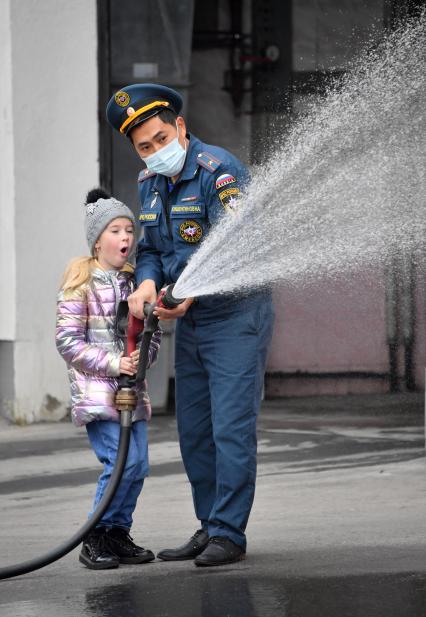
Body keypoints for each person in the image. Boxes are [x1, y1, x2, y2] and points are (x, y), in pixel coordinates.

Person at [106, 84, 274, 567]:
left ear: (180, 127)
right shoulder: (148, 184)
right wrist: (145, 284)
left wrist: (188, 293)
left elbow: (236, 241)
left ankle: (228, 533)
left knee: (230, 429)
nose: (156, 151)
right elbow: (154, 252)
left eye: (162, 138)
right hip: (190, 318)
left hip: (236, 314)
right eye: (145, 146)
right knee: (194, 431)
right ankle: (209, 525)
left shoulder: (217, 171)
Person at [56, 188, 161, 570]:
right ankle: (94, 538)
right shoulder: (80, 281)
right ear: (97, 239)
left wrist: (140, 360)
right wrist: (116, 364)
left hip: (132, 392)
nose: (126, 239)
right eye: (116, 231)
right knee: (120, 464)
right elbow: (67, 341)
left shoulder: (136, 284)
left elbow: (152, 337)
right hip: (98, 393)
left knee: (138, 466)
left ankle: (117, 534)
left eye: (129, 231)